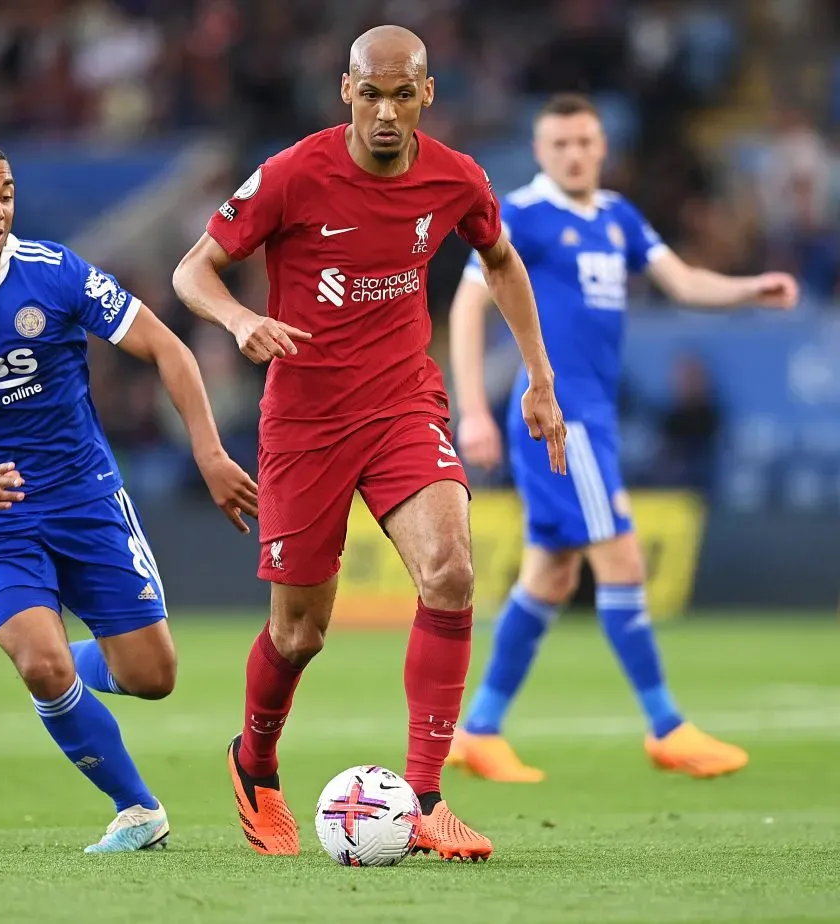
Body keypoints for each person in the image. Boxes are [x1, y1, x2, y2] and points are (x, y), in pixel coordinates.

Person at [172, 26, 566, 861]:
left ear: (427, 94)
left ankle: (424, 798)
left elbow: (500, 260)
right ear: (346, 92)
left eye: (403, 93)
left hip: (401, 403)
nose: (386, 111)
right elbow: (192, 270)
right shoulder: (292, 174)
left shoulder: (456, 176)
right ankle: (255, 761)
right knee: (299, 634)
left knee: (452, 572)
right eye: (371, 93)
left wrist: (539, 378)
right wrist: (241, 318)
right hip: (306, 422)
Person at [0, 138, 257, 852]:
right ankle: (136, 807)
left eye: (7, 194)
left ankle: (53, 659)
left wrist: (208, 451)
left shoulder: (54, 272)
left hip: (85, 498)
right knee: (42, 663)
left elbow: (168, 349)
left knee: (152, 677)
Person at [446, 94, 798, 782]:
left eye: (585, 142)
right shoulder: (521, 214)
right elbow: (466, 304)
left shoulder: (617, 218)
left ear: (602, 147)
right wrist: (473, 411)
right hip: (559, 420)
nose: (574, 154)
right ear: (542, 151)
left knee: (551, 575)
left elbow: (684, 281)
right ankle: (666, 725)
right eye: (560, 144)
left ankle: (481, 729)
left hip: (594, 420)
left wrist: (752, 288)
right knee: (624, 560)